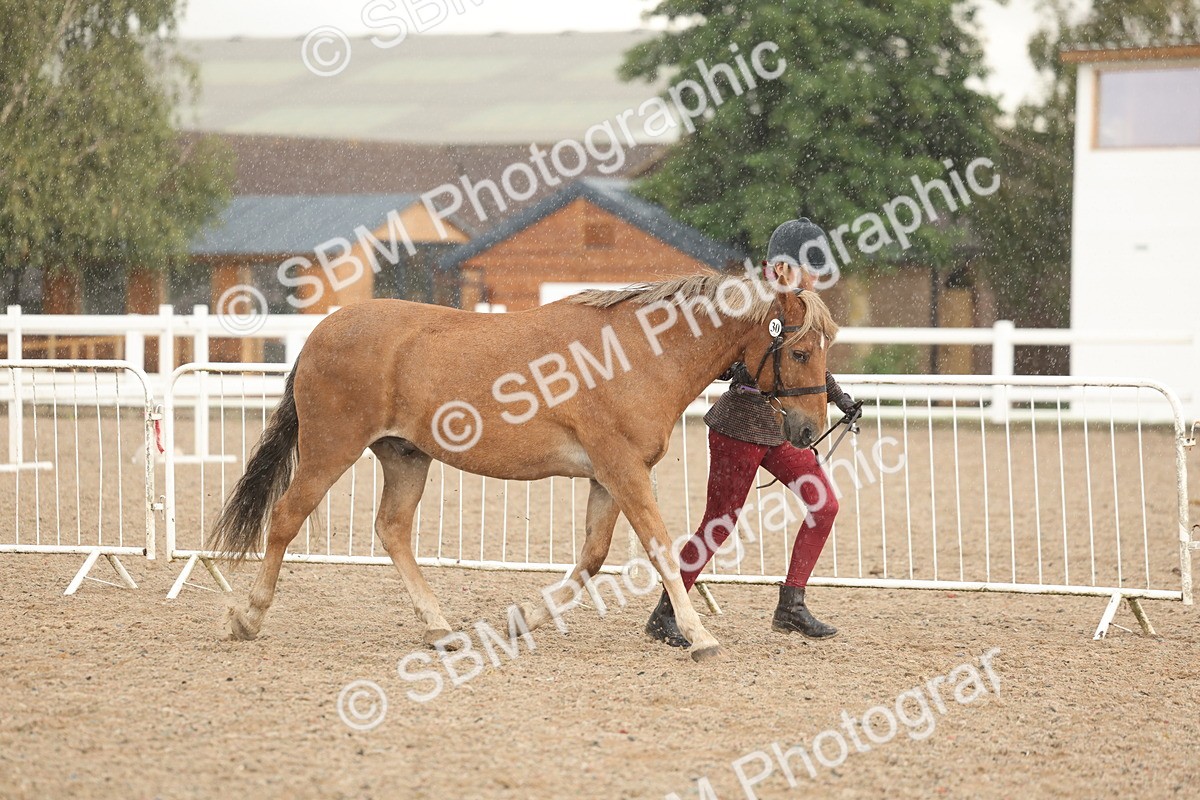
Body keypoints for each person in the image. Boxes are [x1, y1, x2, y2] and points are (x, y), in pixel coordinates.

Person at [645, 216, 862, 647]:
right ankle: (667, 611)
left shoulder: (802, 309)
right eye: (810, 266)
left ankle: (791, 604)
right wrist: (742, 365)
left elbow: (804, 363)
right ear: (785, 267)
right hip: (741, 425)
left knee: (825, 504)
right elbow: (717, 355)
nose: (817, 276)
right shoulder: (751, 304)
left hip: (777, 428)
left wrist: (840, 400)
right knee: (719, 524)